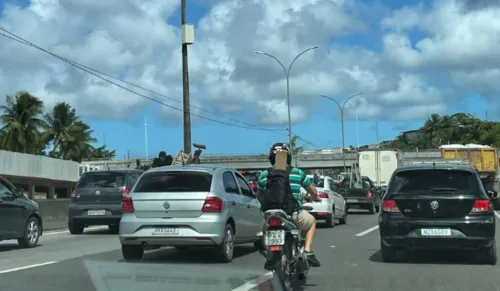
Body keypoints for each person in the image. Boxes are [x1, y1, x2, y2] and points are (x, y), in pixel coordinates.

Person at [256, 142, 321, 268]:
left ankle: (270, 253)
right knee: (312, 222)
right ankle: (308, 251)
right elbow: (313, 191)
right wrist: (314, 197)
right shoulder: (297, 173)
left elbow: (258, 197)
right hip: (292, 213)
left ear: (271, 158)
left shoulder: (263, 175)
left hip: (270, 215)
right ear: (288, 157)